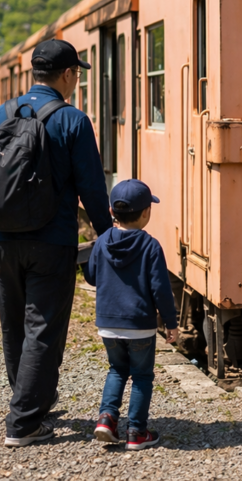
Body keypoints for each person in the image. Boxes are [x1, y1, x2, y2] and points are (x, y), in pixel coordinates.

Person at [0, 40, 112, 447]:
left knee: (14, 324)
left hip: (1, 238)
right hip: (51, 241)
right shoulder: (72, 119)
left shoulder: (1, 114)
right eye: (76, 74)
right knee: (42, 328)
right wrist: (107, 237)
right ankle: (23, 422)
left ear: (34, 72)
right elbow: (91, 187)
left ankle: (31, 399)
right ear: (69, 74)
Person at [85, 180, 178, 450]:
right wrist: (171, 323)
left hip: (108, 324)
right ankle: (136, 432)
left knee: (116, 370)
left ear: (112, 212)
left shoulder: (102, 242)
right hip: (140, 326)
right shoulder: (150, 246)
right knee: (141, 376)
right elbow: (161, 290)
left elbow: (91, 276)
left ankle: (106, 419)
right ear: (146, 213)